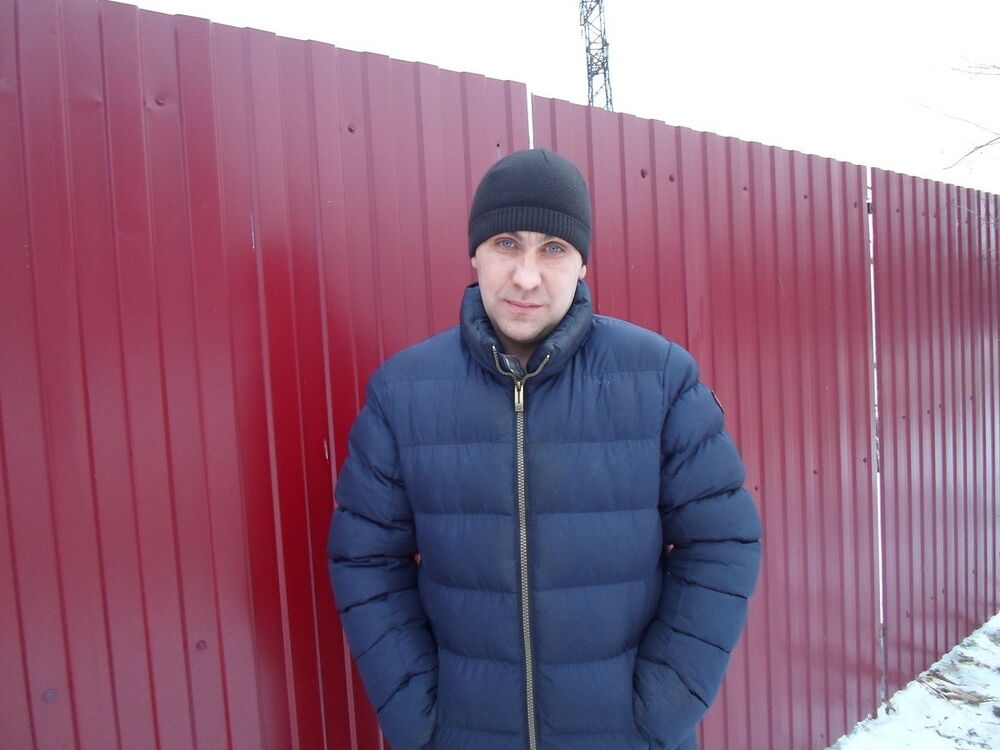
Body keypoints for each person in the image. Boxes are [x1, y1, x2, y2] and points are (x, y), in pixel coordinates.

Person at [327, 148, 762, 750]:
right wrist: (416, 714)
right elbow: (366, 558)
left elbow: (721, 541)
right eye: (506, 244)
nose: (527, 277)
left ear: (583, 262)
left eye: (553, 249)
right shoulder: (402, 392)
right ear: (475, 254)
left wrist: (661, 708)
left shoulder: (659, 379)